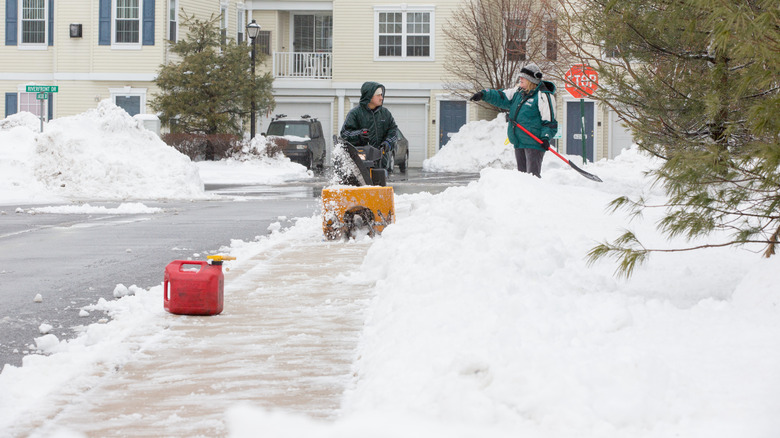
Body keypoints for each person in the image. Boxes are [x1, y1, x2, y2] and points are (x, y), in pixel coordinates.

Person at [470, 63, 557, 178]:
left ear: (531, 80)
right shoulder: (518, 93)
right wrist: (483, 94)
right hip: (519, 142)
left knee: (533, 179)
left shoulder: (543, 96)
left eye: (523, 77)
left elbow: (550, 122)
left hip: (534, 143)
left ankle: (534, 196)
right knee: (522, 178)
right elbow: (501, 96)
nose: (520, 79)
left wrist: (546, 137)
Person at [340, 81, 399, 172]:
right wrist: (359, 135)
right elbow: (344, 134)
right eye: (378, 95)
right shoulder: (355, 114)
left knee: (379, 185)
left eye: (381, 95)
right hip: (359, 166)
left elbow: (393, 131)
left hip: (381, 164)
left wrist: (388, 143)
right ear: (370, 96)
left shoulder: (385, 114)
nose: (381, 98)